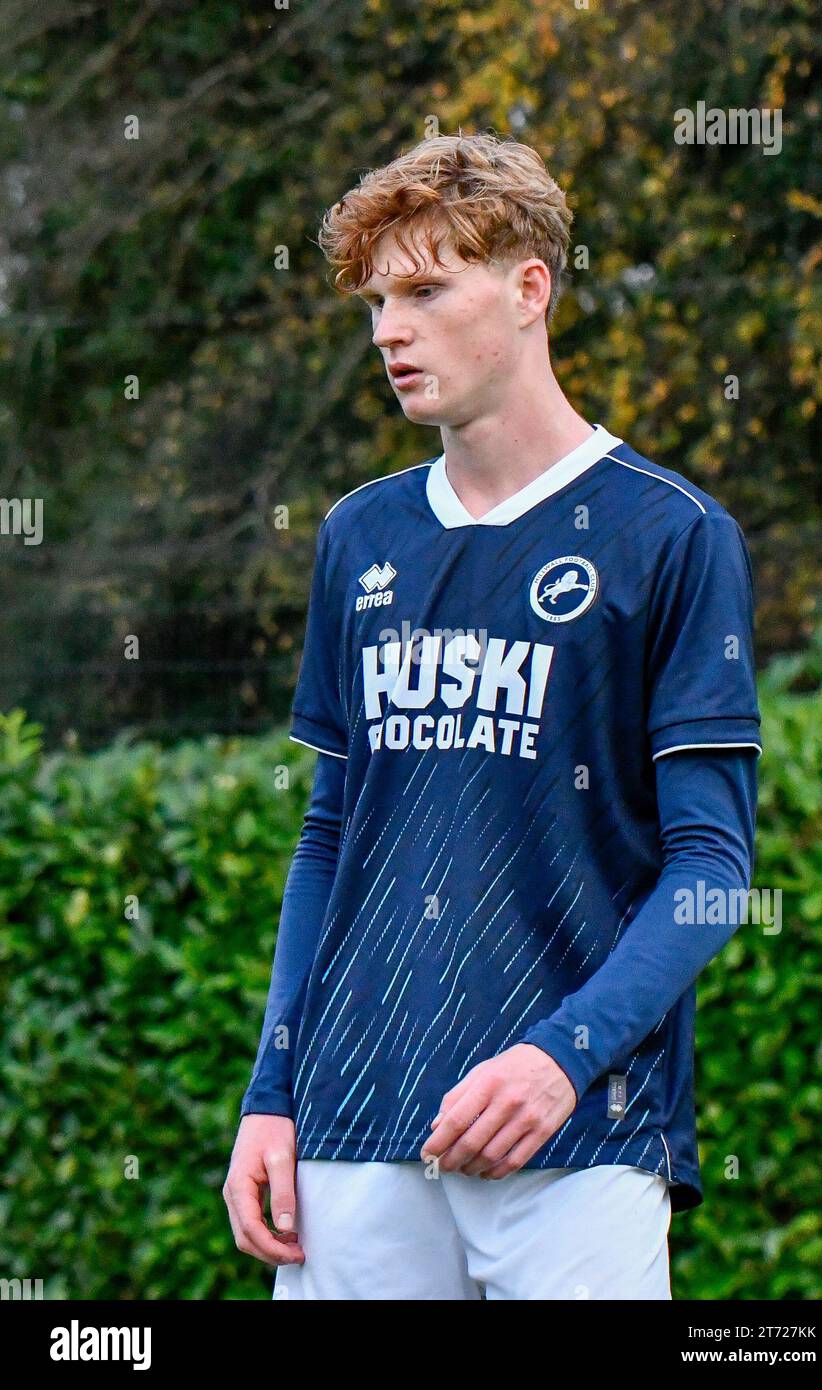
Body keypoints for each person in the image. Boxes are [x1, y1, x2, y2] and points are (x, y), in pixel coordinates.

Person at [222, 132, 762, 1300]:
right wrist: (272, 1091)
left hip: (575, 1139)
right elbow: (327, 838)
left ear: (529, 291)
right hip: (351, 1129)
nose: (386, 331)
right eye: (375, 301)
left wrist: (561, 1058)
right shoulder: (359, 536)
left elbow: (712, 865)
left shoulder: (669, 535)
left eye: (423, 290)